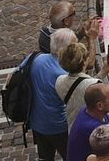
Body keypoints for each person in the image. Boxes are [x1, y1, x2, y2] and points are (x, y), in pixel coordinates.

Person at [28, 28, 76, 161]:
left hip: (36, 122)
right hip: (58, 126)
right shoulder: (65, 73)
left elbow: (12, 77)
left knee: (45, 157)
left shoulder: (35, 59)